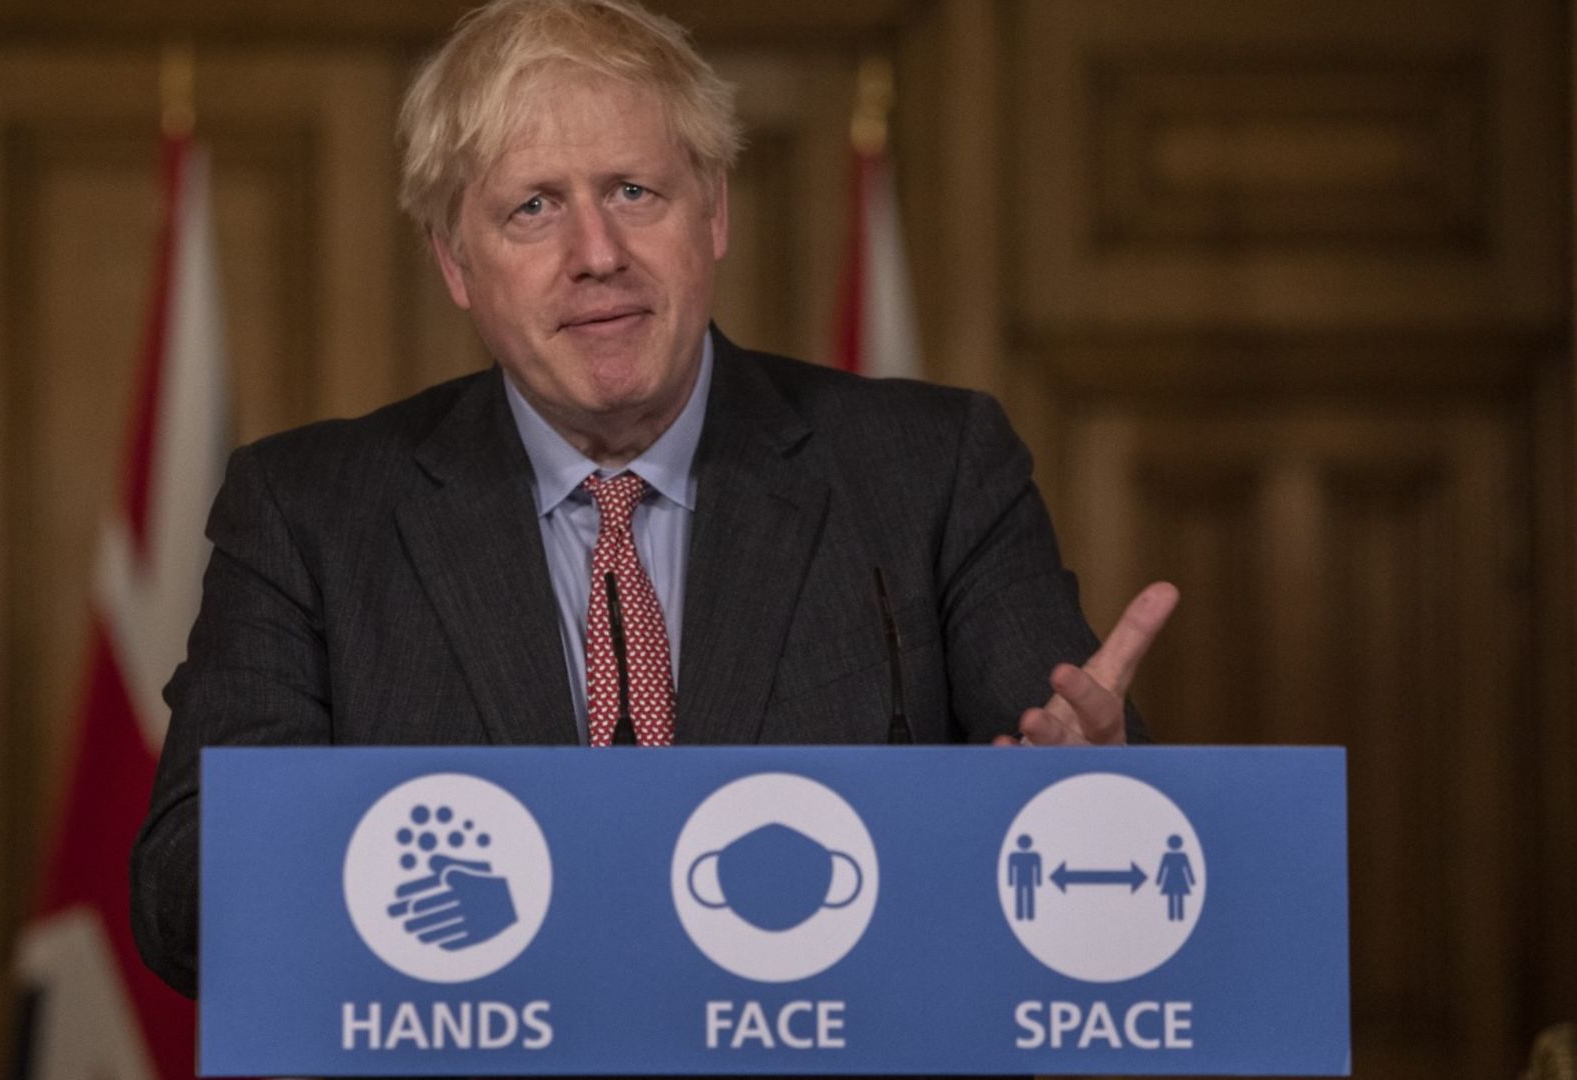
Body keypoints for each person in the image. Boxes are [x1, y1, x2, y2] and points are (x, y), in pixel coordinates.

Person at [131, 0, 1178, 1002]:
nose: (597, 254)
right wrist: (393, 874)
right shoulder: (310, 514)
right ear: (456, 261)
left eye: (635, 190)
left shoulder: (931, 469)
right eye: (532, 207)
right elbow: (185, 904)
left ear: (713, 212)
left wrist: (1097, 796)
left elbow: (1084, 818)